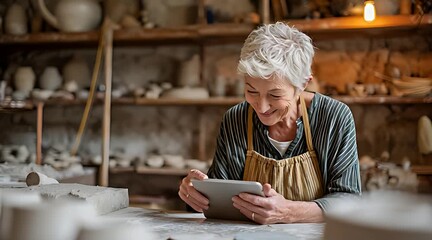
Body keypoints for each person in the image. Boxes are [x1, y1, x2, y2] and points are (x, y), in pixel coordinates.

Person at [178, 22, 361, 224]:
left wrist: (288, 212)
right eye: (252, 91)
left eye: (275, 94)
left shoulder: (334, 117)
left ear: (303, 84)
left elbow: (348, 201)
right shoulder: (236, 119)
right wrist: (195, 194)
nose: (262, 107)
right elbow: (219, 196)